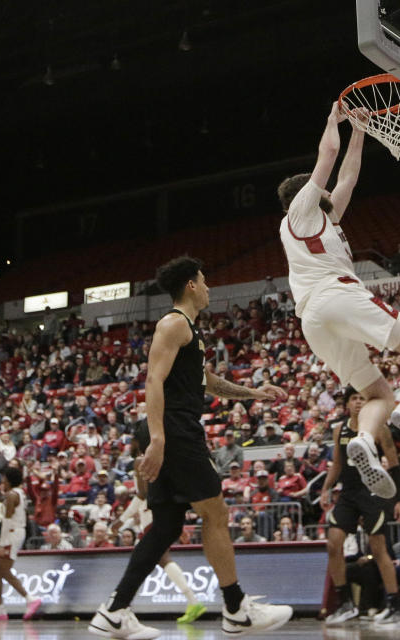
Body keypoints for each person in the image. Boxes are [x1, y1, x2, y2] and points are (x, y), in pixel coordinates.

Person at [89, 256, 293, 640]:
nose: (209, 287)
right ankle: (236, 609)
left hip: (175, 429)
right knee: (216, 512)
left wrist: (253, 393)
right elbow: (153, 380)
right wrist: (160, 438)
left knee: (167, 525)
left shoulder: (191, 333)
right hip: (175, 431)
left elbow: (208, 382)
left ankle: (114, 611)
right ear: (191, 286)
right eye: (204, 280)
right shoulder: (173, 324)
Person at [277, 103, 400, 500]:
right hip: (335, 295)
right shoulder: (300, 213)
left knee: (376, 395)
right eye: (321, 191)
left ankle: (365, 441)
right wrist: (332, 121)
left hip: (315, 321)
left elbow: (348, 176)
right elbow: (329, 158)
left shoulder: (325, 223)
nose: (329, 194)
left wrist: (360, 130)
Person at [322, 387, 400, 625]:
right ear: (347, 404)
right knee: (333, 544)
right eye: (354, 399)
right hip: (348, 494)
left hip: (372, 493)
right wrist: (326, 488)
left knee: (378, 550)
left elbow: (395, 463)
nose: (358, 402)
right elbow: (337, 464)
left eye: (362, 399)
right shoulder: (339, 429)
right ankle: (345, 603)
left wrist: (396, 499)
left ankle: (395, 604)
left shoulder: (379, 428)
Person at [108, 423, 205, 624]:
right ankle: (191, 600)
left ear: (137, 441)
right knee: (155, 559)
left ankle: (192, 601)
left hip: (151, 512)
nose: (128, 446)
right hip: (157, 511)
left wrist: (122, 519)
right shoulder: (157, 456)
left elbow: (142, 494)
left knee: (157, 558)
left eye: (130, 442)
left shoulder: (139, 461)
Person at [0, 467, 43, 621]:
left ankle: (30, 598)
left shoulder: (11, 495)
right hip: (14, 532)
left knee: (4, 571)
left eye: (4, 479)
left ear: (9, 480)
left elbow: (8, 520)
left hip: (11, 533)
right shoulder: (20, 492)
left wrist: (2, 541)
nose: (2, 481)